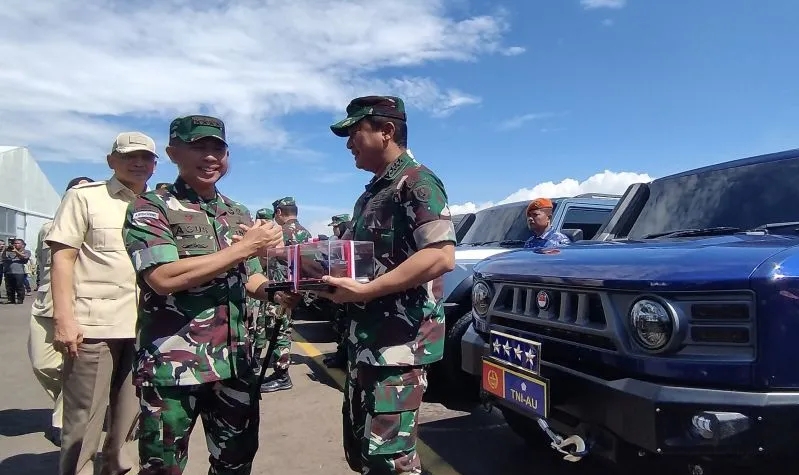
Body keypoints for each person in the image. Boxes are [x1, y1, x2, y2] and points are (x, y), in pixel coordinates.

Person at [122, 114, 299, 474]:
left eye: (218, 149)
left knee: (236, 462)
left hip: (234, 364)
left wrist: (276, 294)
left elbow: (250, 276)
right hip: (173, 367)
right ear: (173, 153)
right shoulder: (151, 207)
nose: (210, 157)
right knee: (162, 467)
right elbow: (162, 278)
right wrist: (244, 248)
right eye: (198, 147)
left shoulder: (236, 212)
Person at [321, 95, 456, 474]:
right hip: (367, 342)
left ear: (386, 131)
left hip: (399, 346)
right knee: (364, 452)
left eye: (354, 133)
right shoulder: (373, 193)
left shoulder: (416, 182)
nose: (349, 144)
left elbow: (440, 256)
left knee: (390, 460)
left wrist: (366, 291)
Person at [47, 133, 157, 475]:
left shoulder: (158, 205)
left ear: (155, 164)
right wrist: (64, 319)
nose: (138, 163)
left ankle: (112, 468)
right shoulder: (85, 197)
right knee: (83, 421)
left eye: (146, 157)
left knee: (127, 420)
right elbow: (62, 259)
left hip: (144, 327)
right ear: (111, 161)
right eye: (129, 156)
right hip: (95, 327)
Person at [27, 176, 94, 447]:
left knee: (73, 366)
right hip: (45, 304)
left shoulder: (96, 226)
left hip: (81, 304)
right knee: (42, 364)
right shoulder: (47, 228)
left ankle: (62, 419)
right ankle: (78, 402)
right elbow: (43, 261)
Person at [259, 196, 312, 393]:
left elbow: (266, 260)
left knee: (278, 330)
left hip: (279, 290)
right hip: (295, 290)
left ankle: (282, 375)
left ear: (279, 212)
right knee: (284, 329)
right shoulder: (305, 233)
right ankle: (280, 371)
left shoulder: (280, 232)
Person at [322, 213, 351, 369]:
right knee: (340, 326)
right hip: (339, 291)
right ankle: (340, 355)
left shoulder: (349, 243)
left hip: (348, 291)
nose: (334, 230)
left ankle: (342, 358)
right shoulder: (337, 242)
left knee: (346, 326)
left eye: (336, 227)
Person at [248, 207, 275, 376]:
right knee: (259, 323)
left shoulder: (271, 236)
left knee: (260, 323)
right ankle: (255, 357)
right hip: (261, 286)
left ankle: (256, 357)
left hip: (265, 286)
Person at [3, 238, 30, 303]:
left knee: (19, 286)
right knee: (9, 287)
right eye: (15, 243)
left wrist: (16, 251)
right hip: (8, 272)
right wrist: (5, 250)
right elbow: (3, 257)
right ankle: (11, 299)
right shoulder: (9, 251)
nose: (16, 244)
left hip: (19, 272)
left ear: (22, 245)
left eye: (18, 243)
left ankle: (20, 299)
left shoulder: (26, 251)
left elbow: (25, 257)